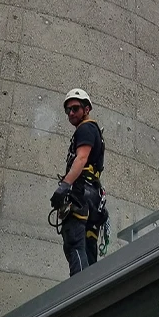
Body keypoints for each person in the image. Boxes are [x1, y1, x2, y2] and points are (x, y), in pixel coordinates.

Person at [51, 88, 106, 276]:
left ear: (87, 108)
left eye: (75, 108)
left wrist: (64, 186)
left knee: (74, 243)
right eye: (68, 111)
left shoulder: (86, 128)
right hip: (93, 200)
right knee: (89, 250)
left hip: (81, 195)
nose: (71, 113)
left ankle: (79, 294)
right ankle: (94, 294)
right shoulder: (92, 130)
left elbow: (81, 158)